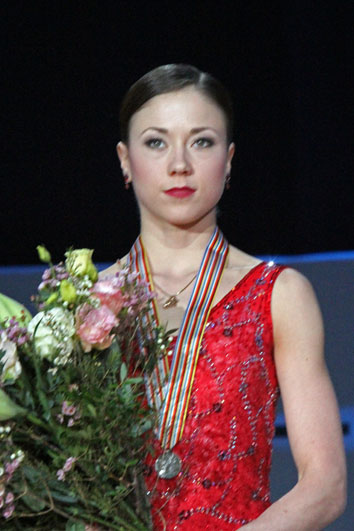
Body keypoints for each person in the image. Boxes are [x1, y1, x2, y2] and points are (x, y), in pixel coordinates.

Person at [105, 64, 346, 530]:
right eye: (156, 141)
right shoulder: (84, 309)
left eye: (202, 141)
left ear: (229, 159)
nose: (179, 163)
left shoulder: (278, 294)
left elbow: (326, 485)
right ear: (124, 159)